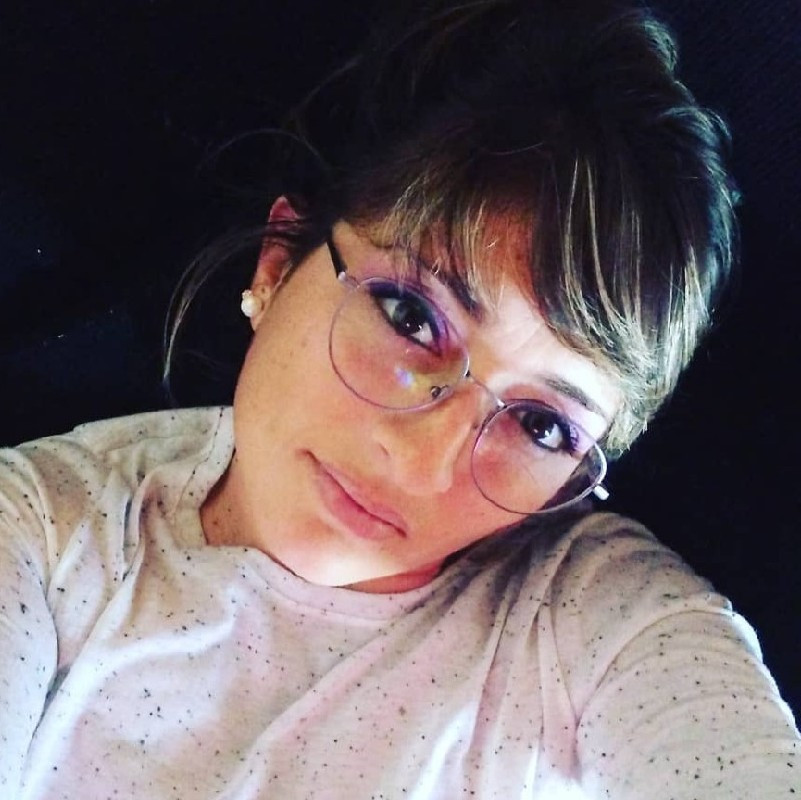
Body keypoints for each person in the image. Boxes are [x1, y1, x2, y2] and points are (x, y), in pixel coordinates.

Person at [1, 0, 798, 797]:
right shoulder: (42, 529)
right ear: (277, 263)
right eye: (411, 318)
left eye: (540, 426)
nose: (421, 462)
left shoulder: (600, 624)